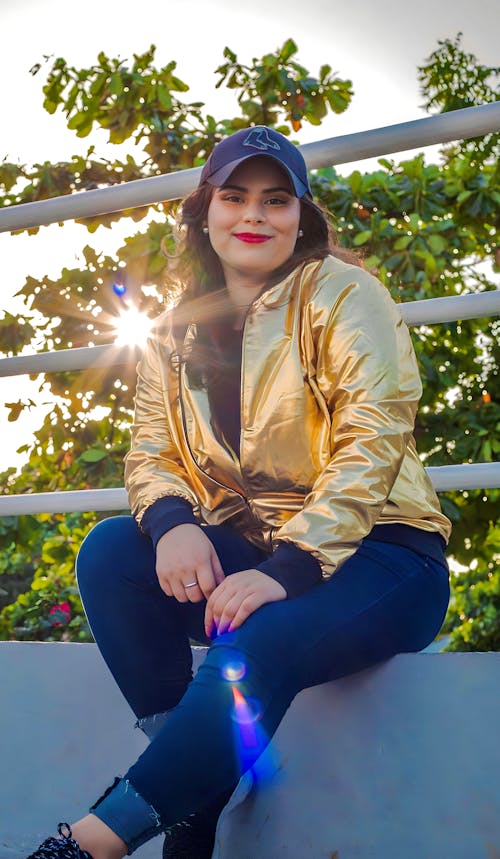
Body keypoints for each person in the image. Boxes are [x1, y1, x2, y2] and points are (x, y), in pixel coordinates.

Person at [28, 126, 451, 859]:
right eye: (235, 196)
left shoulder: (345, 293)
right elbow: (151, 452)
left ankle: (86, 845)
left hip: (387, 556)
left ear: (301, 218)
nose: (254, 214)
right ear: (205, 212)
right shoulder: (171, 331)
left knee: (258, 645)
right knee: (110, 553)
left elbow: (372, 437)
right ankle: (199, 779)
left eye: (276, 199)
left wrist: (283, 570)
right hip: (257, 549)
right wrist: (169, 523)